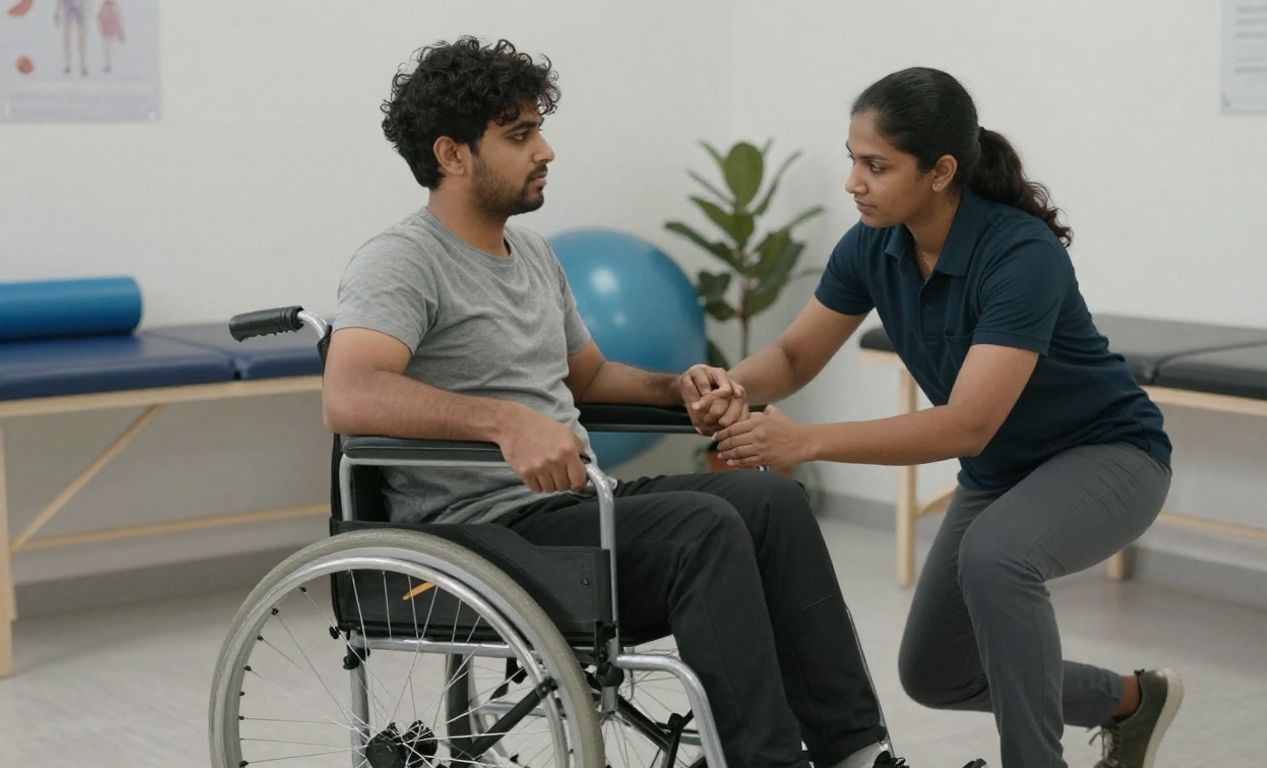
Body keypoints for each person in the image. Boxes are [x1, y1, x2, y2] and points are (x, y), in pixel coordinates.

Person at [324, 37, 934, 768]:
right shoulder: (403, 260)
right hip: (476, 539)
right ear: (452, 154)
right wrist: (503, 421)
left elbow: (587, 377)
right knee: (702, 527)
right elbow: (350, 392)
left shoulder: (534, 256)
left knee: (772, 503)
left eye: (538, 129)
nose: (545, 149)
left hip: (569, 510)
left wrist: (678, 385)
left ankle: (856, 752)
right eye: (520, 135)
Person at [691, 67, 1182, 768]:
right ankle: (1131, 701)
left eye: (876, 165)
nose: (853, 182)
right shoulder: (874, 243)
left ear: (941, 171)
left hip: (1110, 456)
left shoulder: (1019, 253)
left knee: (998, 556)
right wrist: (731, 384)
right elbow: (797, 355)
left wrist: (808, 441)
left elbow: (966, 425)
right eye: (852, 159)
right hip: (1002, 473)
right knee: (934, 673)